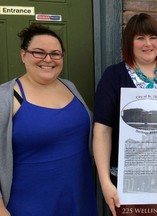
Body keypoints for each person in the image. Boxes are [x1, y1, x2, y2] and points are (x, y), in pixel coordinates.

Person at [93, 13, 157, 216]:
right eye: (140, 38)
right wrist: (105, 182)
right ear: (129, 43)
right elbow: (102, 131)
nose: (148, 44)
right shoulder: (114, 75)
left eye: (152, 37)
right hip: (130, 178)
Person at [0, 24, 98, 216]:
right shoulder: (6, 97)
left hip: (79, 198)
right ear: (23, 55)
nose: (48, 59)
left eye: (55, 54)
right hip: (30, 205)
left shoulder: (70, 87)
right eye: (39, 52)